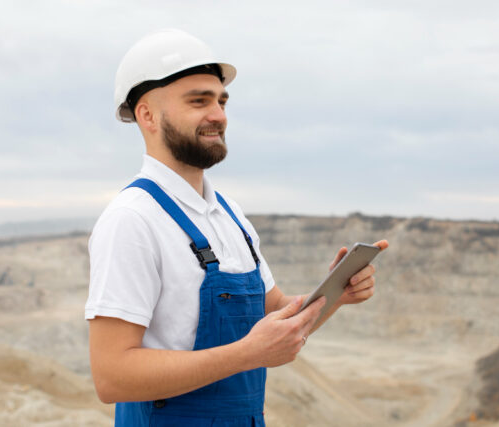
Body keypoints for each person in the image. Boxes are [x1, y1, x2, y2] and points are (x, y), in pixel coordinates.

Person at [85, 29, 388, 427]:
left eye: (221, 101)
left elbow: (276, 312)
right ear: (147, 115)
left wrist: (333, 295)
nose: (218, 115)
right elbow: (112, 377)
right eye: (199, 101)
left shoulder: (229, 216)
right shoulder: (133, 220)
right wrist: (247, 354)